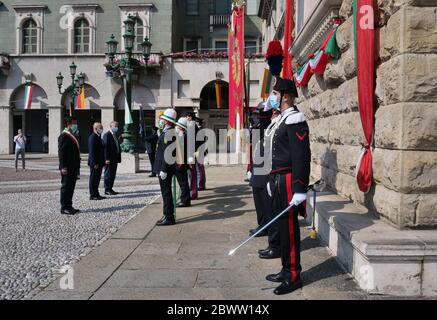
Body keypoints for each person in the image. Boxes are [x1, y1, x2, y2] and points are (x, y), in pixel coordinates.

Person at [265, 77, 311, 295]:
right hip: (278, 179)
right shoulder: (281, 120)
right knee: (283, 228)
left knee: (290, 230)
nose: (272, 97)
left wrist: (300, 189)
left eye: (275, 94)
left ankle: (293, 275)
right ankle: (285, 269)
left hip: (290, 180)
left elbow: (301, 156)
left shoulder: (295, 119)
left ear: (285, 97)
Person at [154, 108, 178, 226]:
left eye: (162, 119)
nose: (161, 121)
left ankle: (169, 217)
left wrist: (163, 169)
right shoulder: (167, 132)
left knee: (166, 192)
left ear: (167, 121)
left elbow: (167, 154)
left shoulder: (168, 133)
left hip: (165, 169)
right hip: (165, 168)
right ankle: (167, 214)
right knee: (166, 192)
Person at [58, 117, 81, 215]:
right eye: (74, 123)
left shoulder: (72, 135)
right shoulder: (64, 136)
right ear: (69, 124)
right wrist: (63, 167)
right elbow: (62, 153)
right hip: (67, 167)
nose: (76, 125)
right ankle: (64, 207)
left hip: (73, 166)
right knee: (66, 186)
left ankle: (69, 205)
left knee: (71, 186)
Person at [174, 117, 191, 208]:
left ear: (180, 127)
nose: (176, 127)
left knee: (183, 183)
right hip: (183, 162)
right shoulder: (185, 136)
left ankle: (185, 201)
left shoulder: (181, 136)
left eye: (177, 125)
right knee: (184, 183)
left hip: (181, 163)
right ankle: (184, 199)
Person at [88, 122, 106, 201]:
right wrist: (95, 163)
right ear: (96, 128)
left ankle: (96, 193)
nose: (101, 129)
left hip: (99, 162)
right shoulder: (93, 137)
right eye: (100, 128)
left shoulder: (98, 137)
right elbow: (92, 152)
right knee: (93, 178)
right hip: (95, 163)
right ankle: (93, 194)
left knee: (97, 179)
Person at [103, 121, 121, 195]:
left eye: (117, 126)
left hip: (114, 158)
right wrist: (106, 158)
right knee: (108, 174)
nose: (116, 127)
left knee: (113, 174)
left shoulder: (115, 135)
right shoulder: (107, 135)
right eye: (115, 126)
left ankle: (110, 188)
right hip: (109, 159)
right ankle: (107, 189)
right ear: (111, 126)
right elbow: (106, 148)